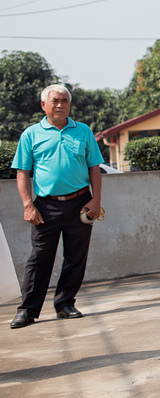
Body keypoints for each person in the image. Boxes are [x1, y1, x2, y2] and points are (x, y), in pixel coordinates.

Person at [9, 84, 103, 329]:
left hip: (80, 204)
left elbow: (95, 167)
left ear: (69, 105)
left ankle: (65, 304)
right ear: (43, 105)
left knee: (75, 257)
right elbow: (23, 172)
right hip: (45, 207)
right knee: (39, 258)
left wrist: (96, 200)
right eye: (55, 101)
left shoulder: (83, 132)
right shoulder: (31, 134)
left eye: (64, 100)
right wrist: (28, 204)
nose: (60, 105)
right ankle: (28, 310)